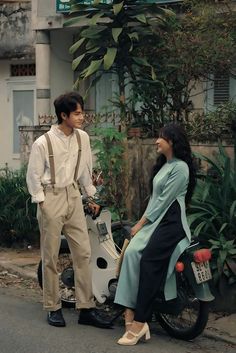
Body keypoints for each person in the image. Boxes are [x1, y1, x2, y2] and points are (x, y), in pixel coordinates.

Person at [26, 92, 112, 328]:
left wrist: (91, 197)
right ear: (63, 115)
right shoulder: (43, 142)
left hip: (73, 195)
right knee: (51, 256)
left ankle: (86, 308)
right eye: (77, 113)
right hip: (50, 196)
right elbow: (33, 177)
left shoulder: (83, 138)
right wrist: (43, 202)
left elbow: (85, 170)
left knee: (83, 253)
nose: (82, 117)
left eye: (82, 112)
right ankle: (53, 307)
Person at [114, 123, 196, 345]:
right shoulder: (165, 165)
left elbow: (163, 202)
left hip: (171, 222)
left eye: (161, 137)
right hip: (157, 220)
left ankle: (141, 322)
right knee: (131, 254)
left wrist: (140, 223)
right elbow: (154, 199)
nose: (157, 141)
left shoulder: (180, 168)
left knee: (149, 260)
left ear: (172, 142)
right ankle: (128, 313)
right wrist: (144, 222)